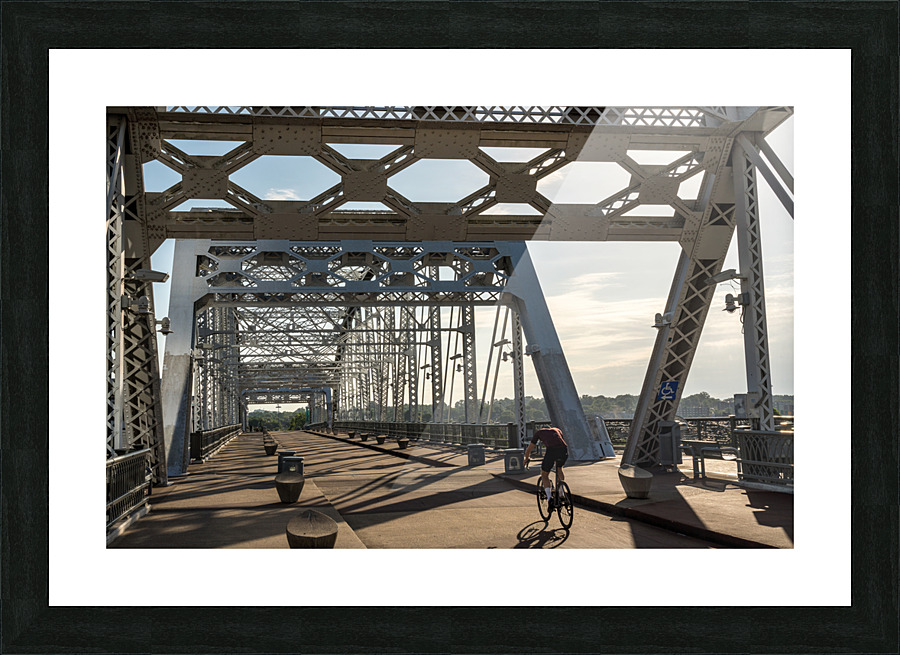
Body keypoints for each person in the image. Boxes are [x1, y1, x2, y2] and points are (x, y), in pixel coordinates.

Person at [523, 426, 568, 507]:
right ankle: (561, 493)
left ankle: (550, 498)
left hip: (551, 451)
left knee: (544, 474)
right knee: (559, 469)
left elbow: (529, 448)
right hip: (563, 450)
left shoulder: (539, 432)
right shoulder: (557, 430)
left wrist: (526, 458)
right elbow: (560, 441)